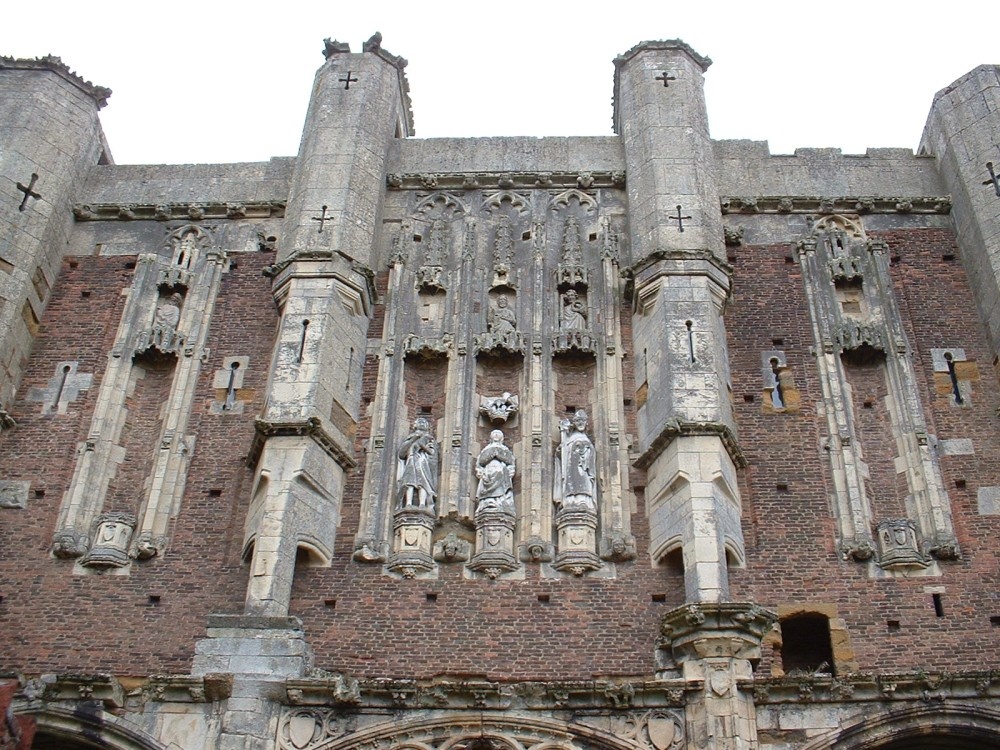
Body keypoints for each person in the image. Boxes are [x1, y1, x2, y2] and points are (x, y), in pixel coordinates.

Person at [555, 409, 596, 511]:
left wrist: (585, 451)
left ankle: (584, 500)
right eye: (578, 420)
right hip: (572, 470)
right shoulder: (569, 439)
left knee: (584, 482)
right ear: (574, 423)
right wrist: (559, 452)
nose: (581, 423)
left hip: (583, 468)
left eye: (583, 420)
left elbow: (592, 455)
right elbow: (563, 455)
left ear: (586, 423)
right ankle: (570, 500)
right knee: (571, 483)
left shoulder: (586, 439)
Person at [397, 417, 438, 511]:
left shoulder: (429, 438)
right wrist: (414, 439)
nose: (422, 423)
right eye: (419, 422)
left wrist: (421, 445)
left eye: (424, 422)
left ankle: (423, 504)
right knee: (409, 482)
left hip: (422, 461)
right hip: (411, 460)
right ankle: (408, 503)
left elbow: (432, 452)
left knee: (422, 483)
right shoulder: (410, 437)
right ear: (414, 425)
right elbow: (402, 454)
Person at [475, 430, 515, 513]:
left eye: (498, 434)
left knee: (499, 473)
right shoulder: (486, 449)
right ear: (491, 437)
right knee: (489, 478)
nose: (496, 435)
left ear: (502, 438)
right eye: (494, 434)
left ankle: (500, 501)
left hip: (501, 471)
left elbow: (510, 461)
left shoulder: (504, 449)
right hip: (488, 470)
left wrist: (498, 454)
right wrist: (492, 454)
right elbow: (481, 462)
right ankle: (488, 501)